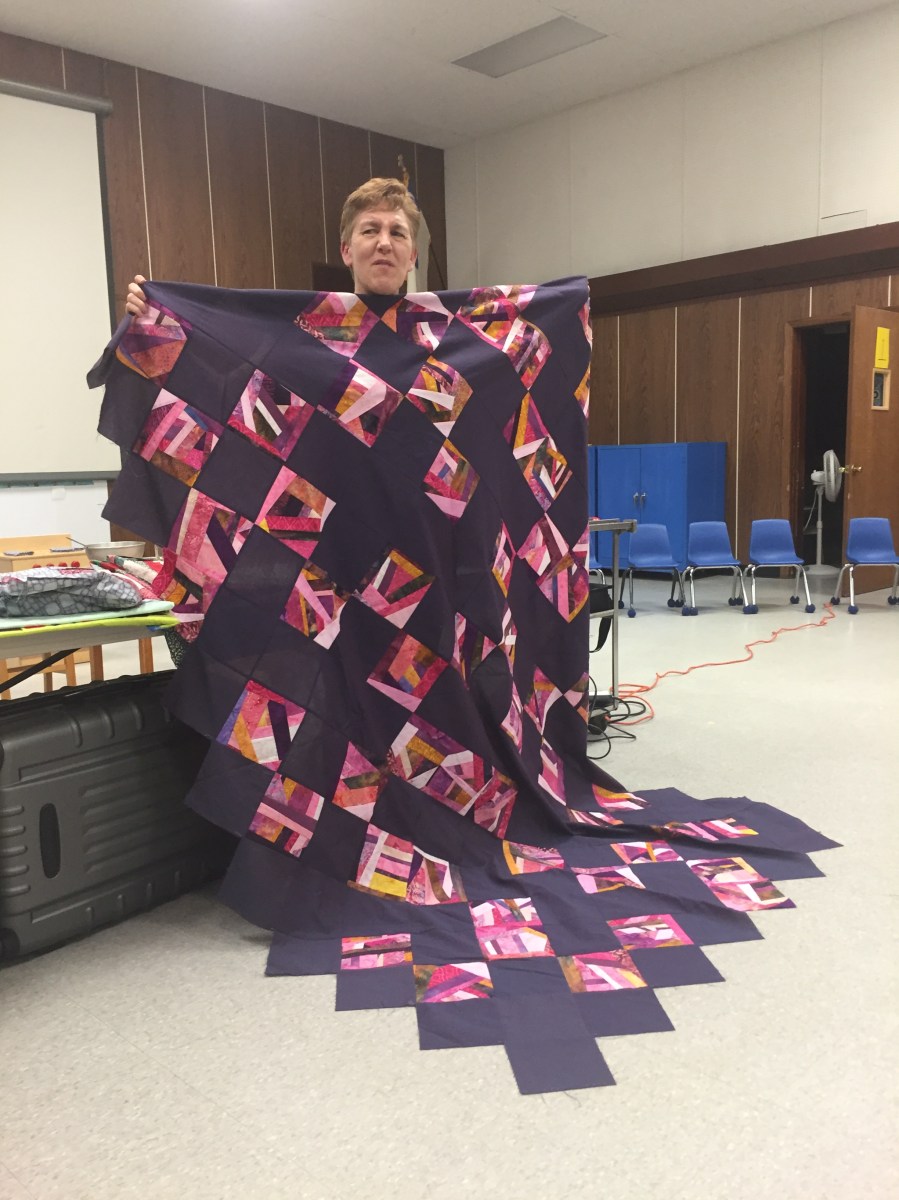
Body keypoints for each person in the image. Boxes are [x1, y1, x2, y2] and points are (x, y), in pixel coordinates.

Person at [124, 176, 421, 316]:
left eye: (397, 233)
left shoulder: (440, 349)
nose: (384, 243)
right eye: (370, 230)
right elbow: (220, 373)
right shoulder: (307, 334)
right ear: (346, 251)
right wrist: (156, 319)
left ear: (412, 256)